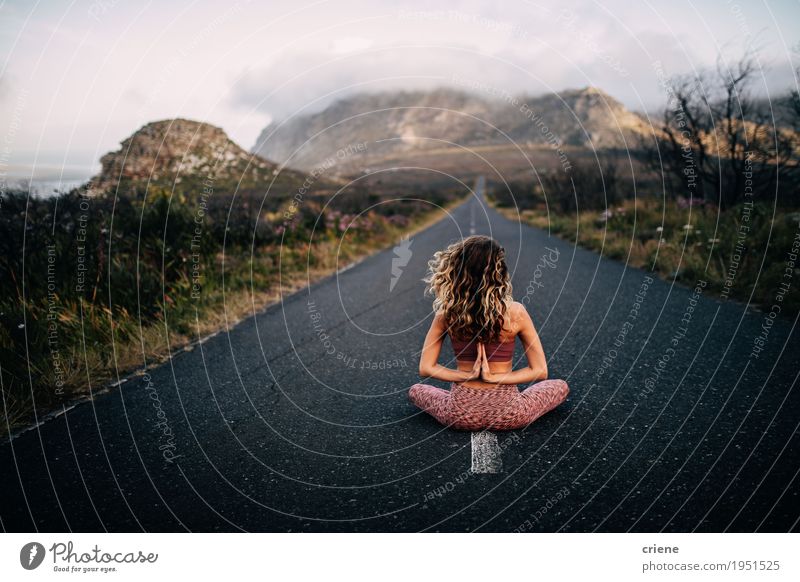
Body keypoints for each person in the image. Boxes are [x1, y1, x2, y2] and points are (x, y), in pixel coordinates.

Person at [409, 235, 569, 430]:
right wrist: (495, 378)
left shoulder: (446, 314)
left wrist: (465, 376)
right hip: (509, 413)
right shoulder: (516, 312)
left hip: (460, 414)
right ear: (498, 272)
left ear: (457, 271)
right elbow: (540, 371)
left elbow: (426, 368)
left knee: (416, 390)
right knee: (560, 386)